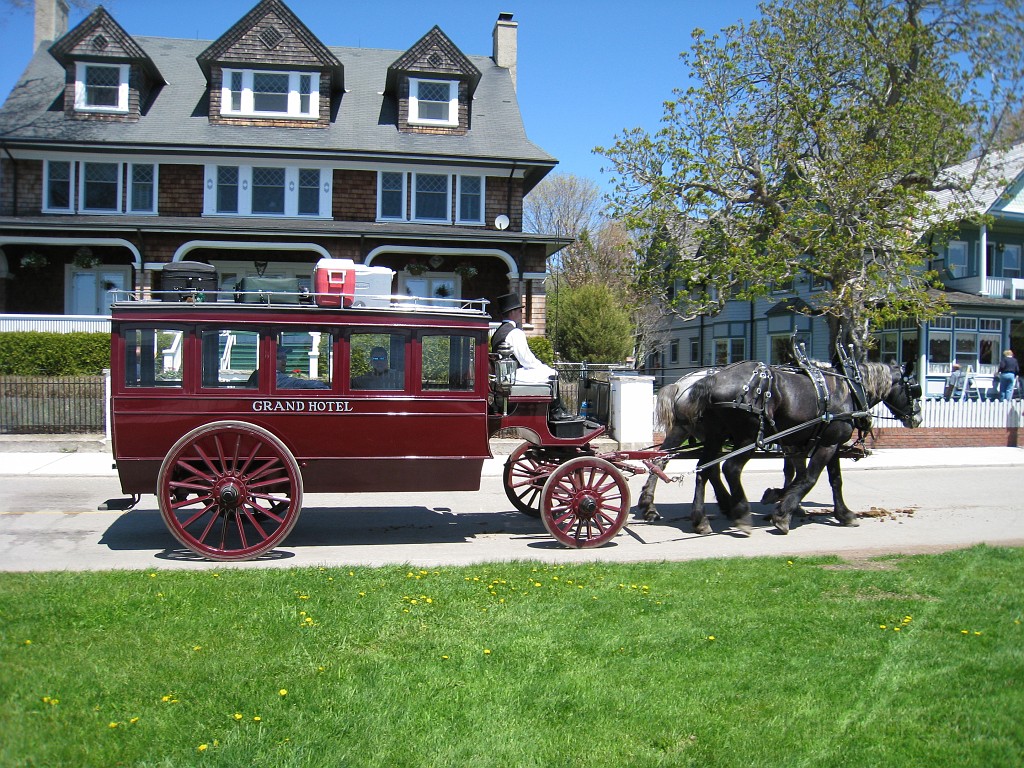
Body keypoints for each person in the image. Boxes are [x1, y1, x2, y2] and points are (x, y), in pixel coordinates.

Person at [491, 293, 574, 420]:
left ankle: (557, 411)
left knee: (547, 372)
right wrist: (541, 366)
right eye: (520, 311)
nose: (521, 314)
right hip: (513, 376)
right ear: (513, 312)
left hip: (504, 376)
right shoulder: (515, 332)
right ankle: (557, 412)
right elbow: (526, 359)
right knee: (552, 374)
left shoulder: (498, 332)